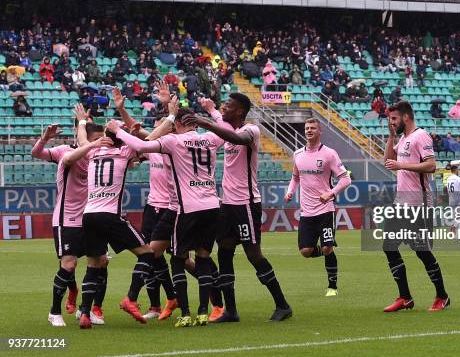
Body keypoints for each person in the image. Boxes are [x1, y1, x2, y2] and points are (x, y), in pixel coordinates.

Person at [107, 105, 225, 328]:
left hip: (185, 207)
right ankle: (194, 307)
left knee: (179, 258)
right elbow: (226, 131)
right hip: (208, 205)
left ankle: (196, 309)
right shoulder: (210, 137)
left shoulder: (172, 142)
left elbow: (141, 144)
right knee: (185, 254)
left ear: (176, 124)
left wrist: (117, 130)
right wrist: (212, 114)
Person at [191, 94, 293, 322]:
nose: (224, 108)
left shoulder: (251, 131)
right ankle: (231, 311)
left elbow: (233, 137)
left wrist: (208, 121)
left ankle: (282, 305)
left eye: (229, 106)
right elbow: (223, 124)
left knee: (253, 254)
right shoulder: (228, 127)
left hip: (246, 203)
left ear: (239, 112)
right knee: (225, 252)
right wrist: (211, 111)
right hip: (227, 204)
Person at [63, 122, 155, 329]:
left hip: (89, 215)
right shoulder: (123, 152)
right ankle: (130, 299)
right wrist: (170, 118)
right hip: (110, 215)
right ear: (120, 139)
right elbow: (147, 142)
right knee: (147, 253)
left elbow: (82, 140)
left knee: (93, 265)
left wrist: (83, 122)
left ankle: (85, 313)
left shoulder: (92, 152)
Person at [31, 118, 109, 327]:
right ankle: (54, 312)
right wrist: (45, 138)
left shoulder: (98, 157)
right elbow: (38, 154)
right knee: (69, 264)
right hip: (67, 219)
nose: (100, 143)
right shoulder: (66, 152)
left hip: (90, 218)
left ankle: (88, 310)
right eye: (96, 140)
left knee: (101, 261)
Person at [382, 101, 450, 312]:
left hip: (418, 202)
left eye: (394, 119)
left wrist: (401, 165)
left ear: (406, 117)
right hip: (401, 202)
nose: (392, 122)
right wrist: (392, 136)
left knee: (422, 251)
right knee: (389, 246)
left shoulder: (421, 136)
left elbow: (431, 166)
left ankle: (442, 296)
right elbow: (387, 160)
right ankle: (405, 297)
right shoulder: (402, 138)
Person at [284, 118, 351, 296]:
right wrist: (290, 191)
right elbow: (295, 177)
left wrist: (331, 193)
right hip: (306, 211)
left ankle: (332, 286)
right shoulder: (298, 154)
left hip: (325, 209)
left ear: (320, 131)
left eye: (313, 128)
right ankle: (328, 247)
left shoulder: (329, 154)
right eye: (307, 128)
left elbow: (346, 179)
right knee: (306, 251)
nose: (309, 130)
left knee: (327, 248)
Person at [444, 165, 460, 234]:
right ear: (456, 170)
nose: (458, 171)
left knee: (456, 216)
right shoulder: (459, 179)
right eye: (458, 170)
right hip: (458, 199)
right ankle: (454, 226)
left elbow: (446, 189)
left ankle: (455, 232)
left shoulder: (448, 179)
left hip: (451, 200)